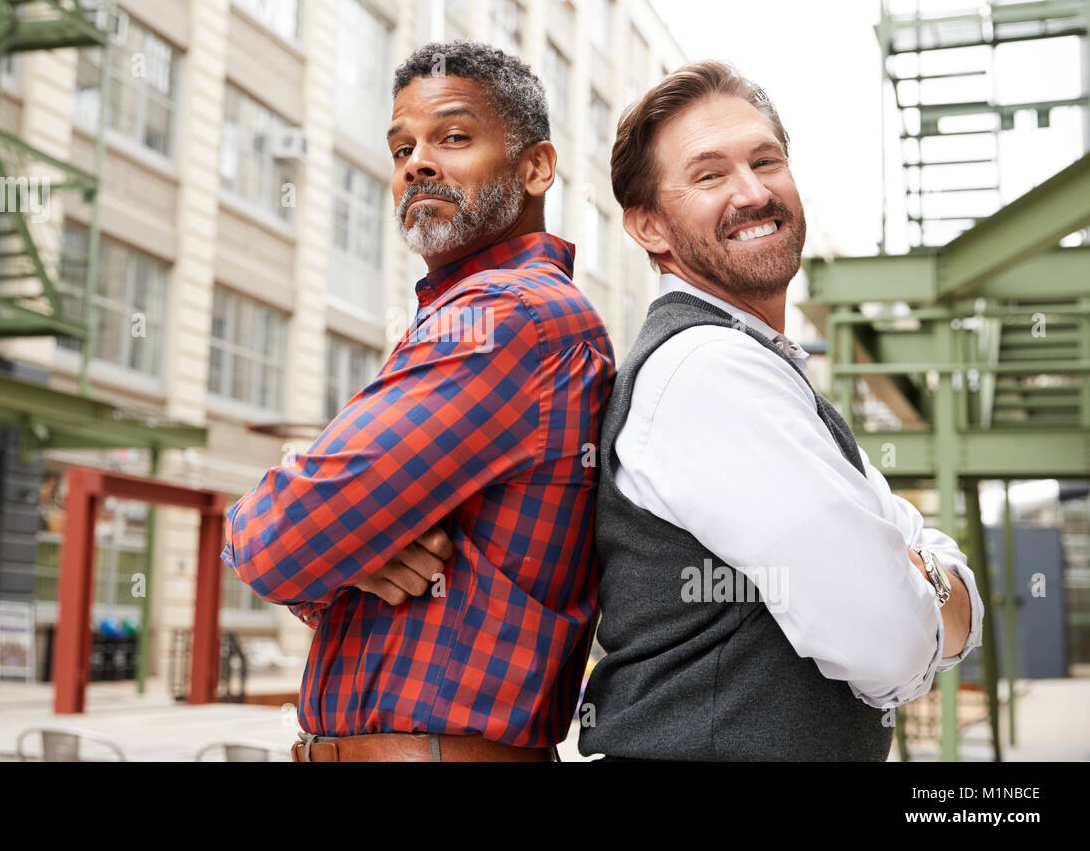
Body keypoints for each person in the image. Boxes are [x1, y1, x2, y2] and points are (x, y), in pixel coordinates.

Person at [579, 60, 983, 761]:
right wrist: (932, 588)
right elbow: (889, 637)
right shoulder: (708, 371)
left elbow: (905, 581)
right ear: (648, 226)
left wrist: (916, 575)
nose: (753, 192)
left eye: (767, 161)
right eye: (709, 175)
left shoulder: (763, 372)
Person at [223, 41, 615, 762]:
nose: (417, 163)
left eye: (453, 138)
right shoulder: (475, 317)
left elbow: (275, 542)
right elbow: (309, 539)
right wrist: (351, 548)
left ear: (536, 166)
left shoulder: (503, 317)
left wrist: (322, 534)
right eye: (402, 146)